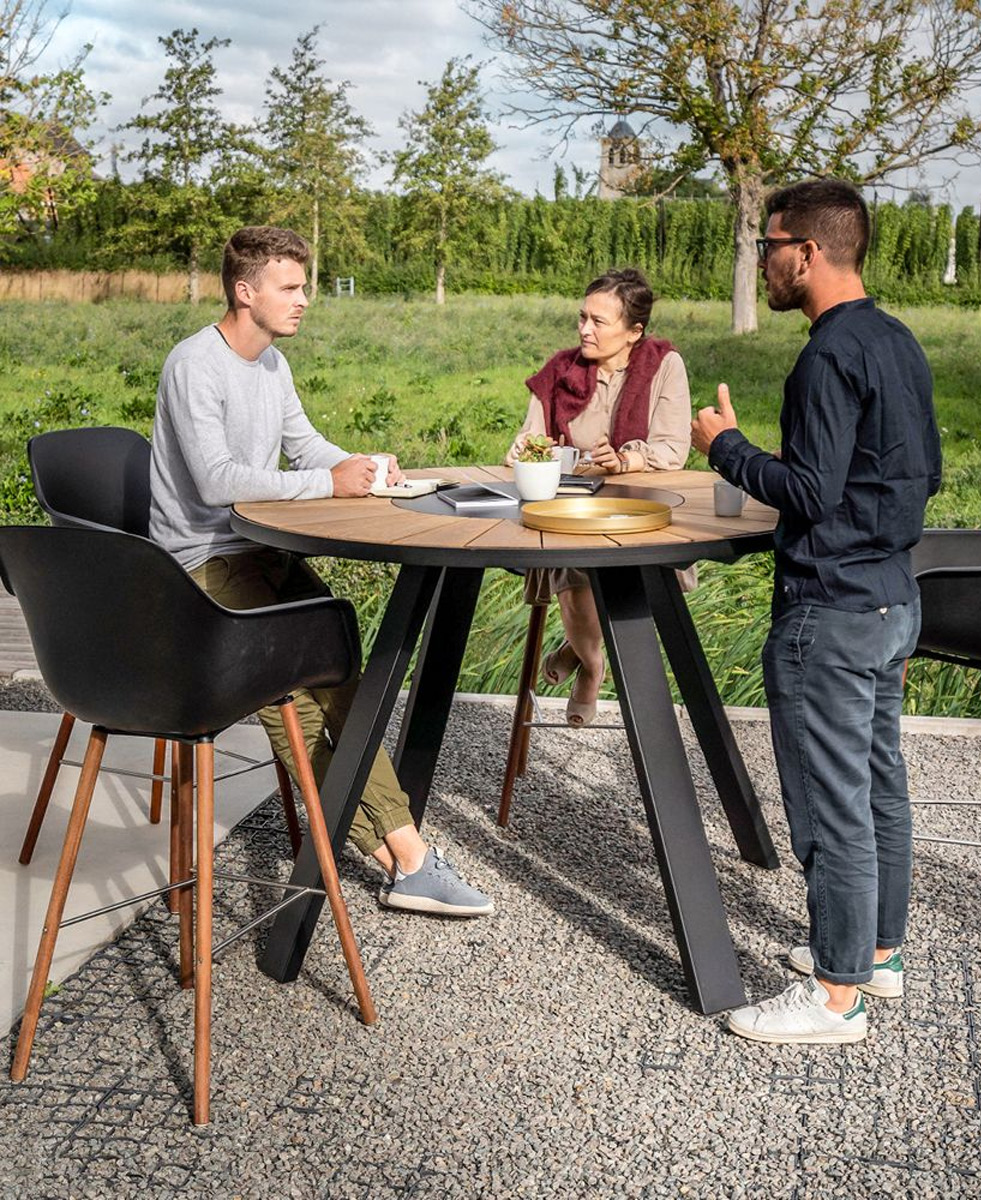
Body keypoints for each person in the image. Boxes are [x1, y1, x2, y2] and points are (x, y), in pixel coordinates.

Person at [150, 225, 493, 917]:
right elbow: (217, 482)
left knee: (342, 672)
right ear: (245, 292)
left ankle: (402, 854)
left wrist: (359, 466)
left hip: (259, 553)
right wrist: (328, 485)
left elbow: (305, 445)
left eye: (303, 286)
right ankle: (405, 854)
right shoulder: (195, 365)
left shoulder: (272, 364)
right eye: (290, 287)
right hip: (200, 569)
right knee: (293, 699)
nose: (304, 299)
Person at [691, 181, 941, 1044]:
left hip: (829, 613)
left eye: (768, 246)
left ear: (807, 252)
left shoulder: (827, 356)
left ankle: (836, 997)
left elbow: (807, 491)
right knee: (879, 786)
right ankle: (877, 954)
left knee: (833, 806)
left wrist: (725, 447)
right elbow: (918, 475)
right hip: (892, 600)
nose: (761, 260)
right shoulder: (897, 341)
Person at [505, 267, 691, 725]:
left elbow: (673, 450)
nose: (585, 329)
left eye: (598, 321)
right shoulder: (560, 370)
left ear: (634, 331)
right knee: (573, 555)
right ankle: (593, 664)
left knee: (613, 562)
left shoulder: (665, 366)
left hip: (641, 510)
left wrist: (625, 460)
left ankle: (579, 650)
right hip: (572, 508)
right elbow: (528, 440)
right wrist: (525, 449)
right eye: (582, 317)